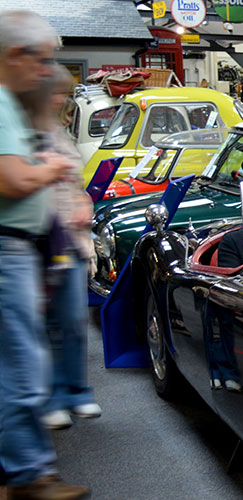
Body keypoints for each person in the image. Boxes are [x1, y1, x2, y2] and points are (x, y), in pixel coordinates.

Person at [0, 10, 90, 500]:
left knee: (21, 358)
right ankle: (28, 476)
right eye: (41, 61)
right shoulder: (1, 105)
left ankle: (24, 470)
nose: (46, 72)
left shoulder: (12, 106)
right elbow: (11, 179)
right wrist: (49, 166)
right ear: (16, 54)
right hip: (8, 245)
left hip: (23, 247)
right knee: (21, 363)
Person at [18, 64, 101, 431]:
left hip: (70, 240)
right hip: (42, 241)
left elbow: (73, 184)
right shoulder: (25, 133)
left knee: (72, 320)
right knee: (47, 323)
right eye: (57, 93)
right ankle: (52, 396)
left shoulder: (58, 131)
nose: (62, 100)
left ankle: (77, 391)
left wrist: (84, 204)